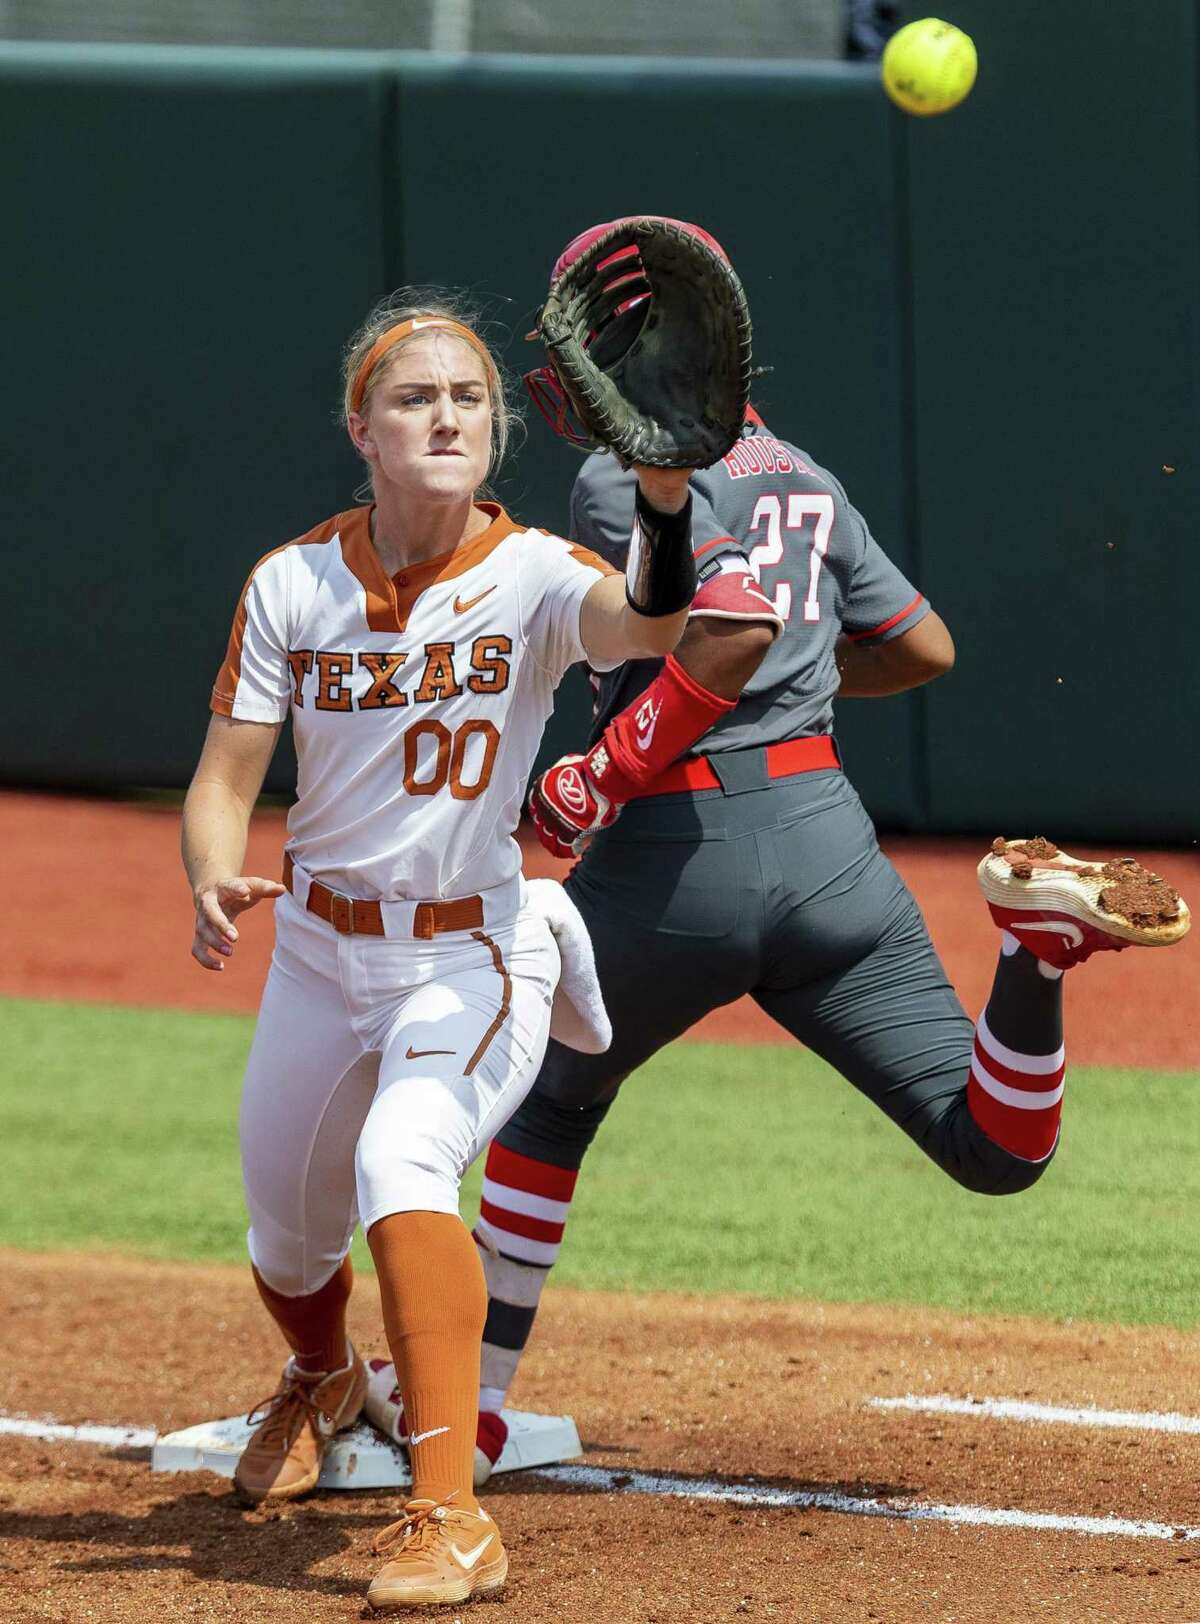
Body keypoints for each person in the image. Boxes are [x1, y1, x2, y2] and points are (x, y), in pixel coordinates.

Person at [464, 218, 1191, 1477]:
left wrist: (605, 765)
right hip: (833, 850)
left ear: (637, 346)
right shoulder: (806, 470)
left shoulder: (625, 476)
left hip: (678, 850)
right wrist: (793, 690)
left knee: (545, 1104)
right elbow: (924, 648)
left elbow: (727, 632)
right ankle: (1033, 955)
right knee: (992, 1148)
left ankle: (463, 1414)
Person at [180, 290, 701, 1611]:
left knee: (397, 1159)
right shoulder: (293, 580)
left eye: (468, 397)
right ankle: (323, 1377)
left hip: (471, 949)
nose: (448, 416)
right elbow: (224, 779)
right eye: (415, 397)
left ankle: (448, 1516)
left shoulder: (528, 572)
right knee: (288, 1243)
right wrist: (205, 871)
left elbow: (647, 625)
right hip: (315, 950)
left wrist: (660, 501)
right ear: (361, 428)